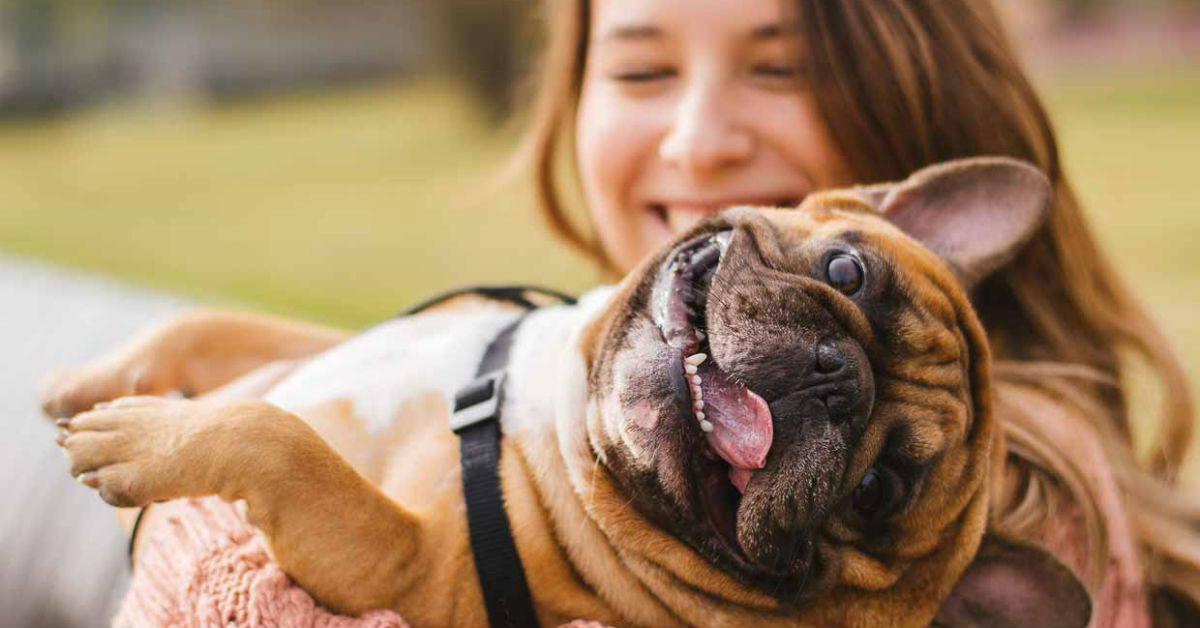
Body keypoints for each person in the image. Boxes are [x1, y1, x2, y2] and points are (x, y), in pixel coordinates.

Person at [45, 0, 1198, 625]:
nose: (699, 139)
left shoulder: (1035, 511)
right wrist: (210, 353)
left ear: (917, 107)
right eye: (643, 72)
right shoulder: (586, 358)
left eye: (778, 69)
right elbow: (399, 374)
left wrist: (191, 507)